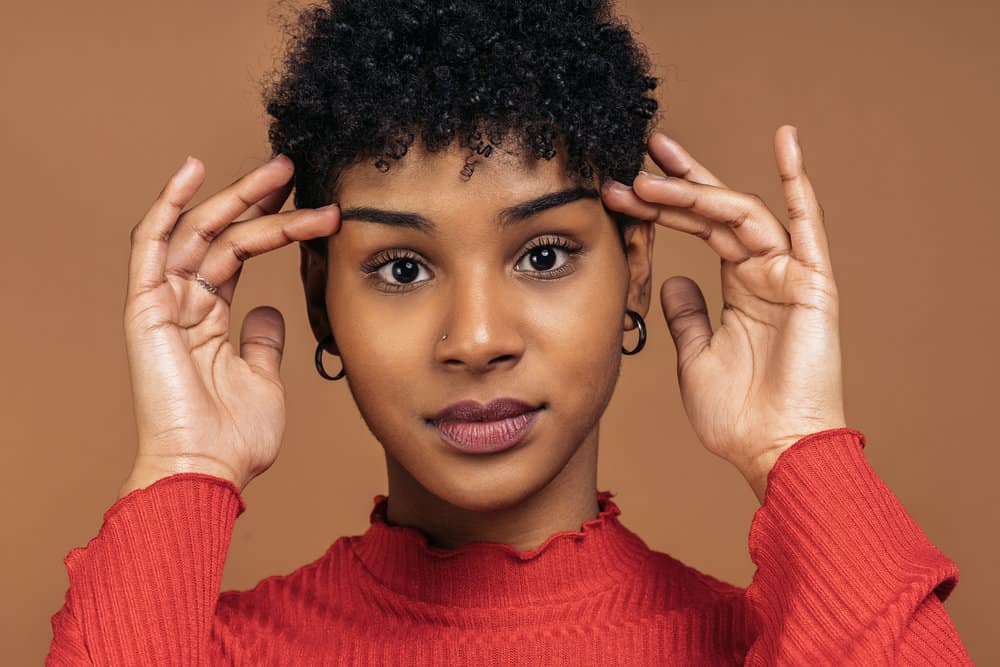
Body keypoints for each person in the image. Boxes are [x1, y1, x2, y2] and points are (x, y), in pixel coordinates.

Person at [47, 0, 972, 664]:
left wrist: (800, 445)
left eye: (543, 255)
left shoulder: (770, 646)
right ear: (322, 295)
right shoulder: (210, 650)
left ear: (635, 264)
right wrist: (181, 469)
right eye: (402, 268)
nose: (478, 337)